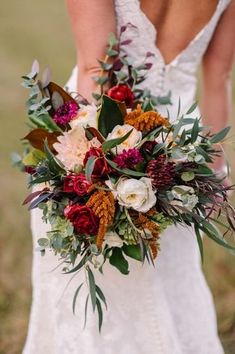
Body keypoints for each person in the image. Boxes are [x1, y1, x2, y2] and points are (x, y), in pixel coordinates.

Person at [23, 1, 235, 353]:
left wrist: (92, 179)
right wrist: (214, 177)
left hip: (100, 141)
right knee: (169, 284)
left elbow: (97, 68)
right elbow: (219, 77)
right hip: (178, 157)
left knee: (90, 302)